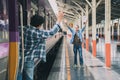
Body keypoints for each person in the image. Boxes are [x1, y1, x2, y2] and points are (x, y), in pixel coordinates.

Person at [17, 11, 64, 80]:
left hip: (19, 58)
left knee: (18, 76)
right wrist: (59, 20)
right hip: (29, 60)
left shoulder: (24, 28)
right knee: (28, 78)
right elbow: (52, 32)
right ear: (39, 25)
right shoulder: (37, 33)